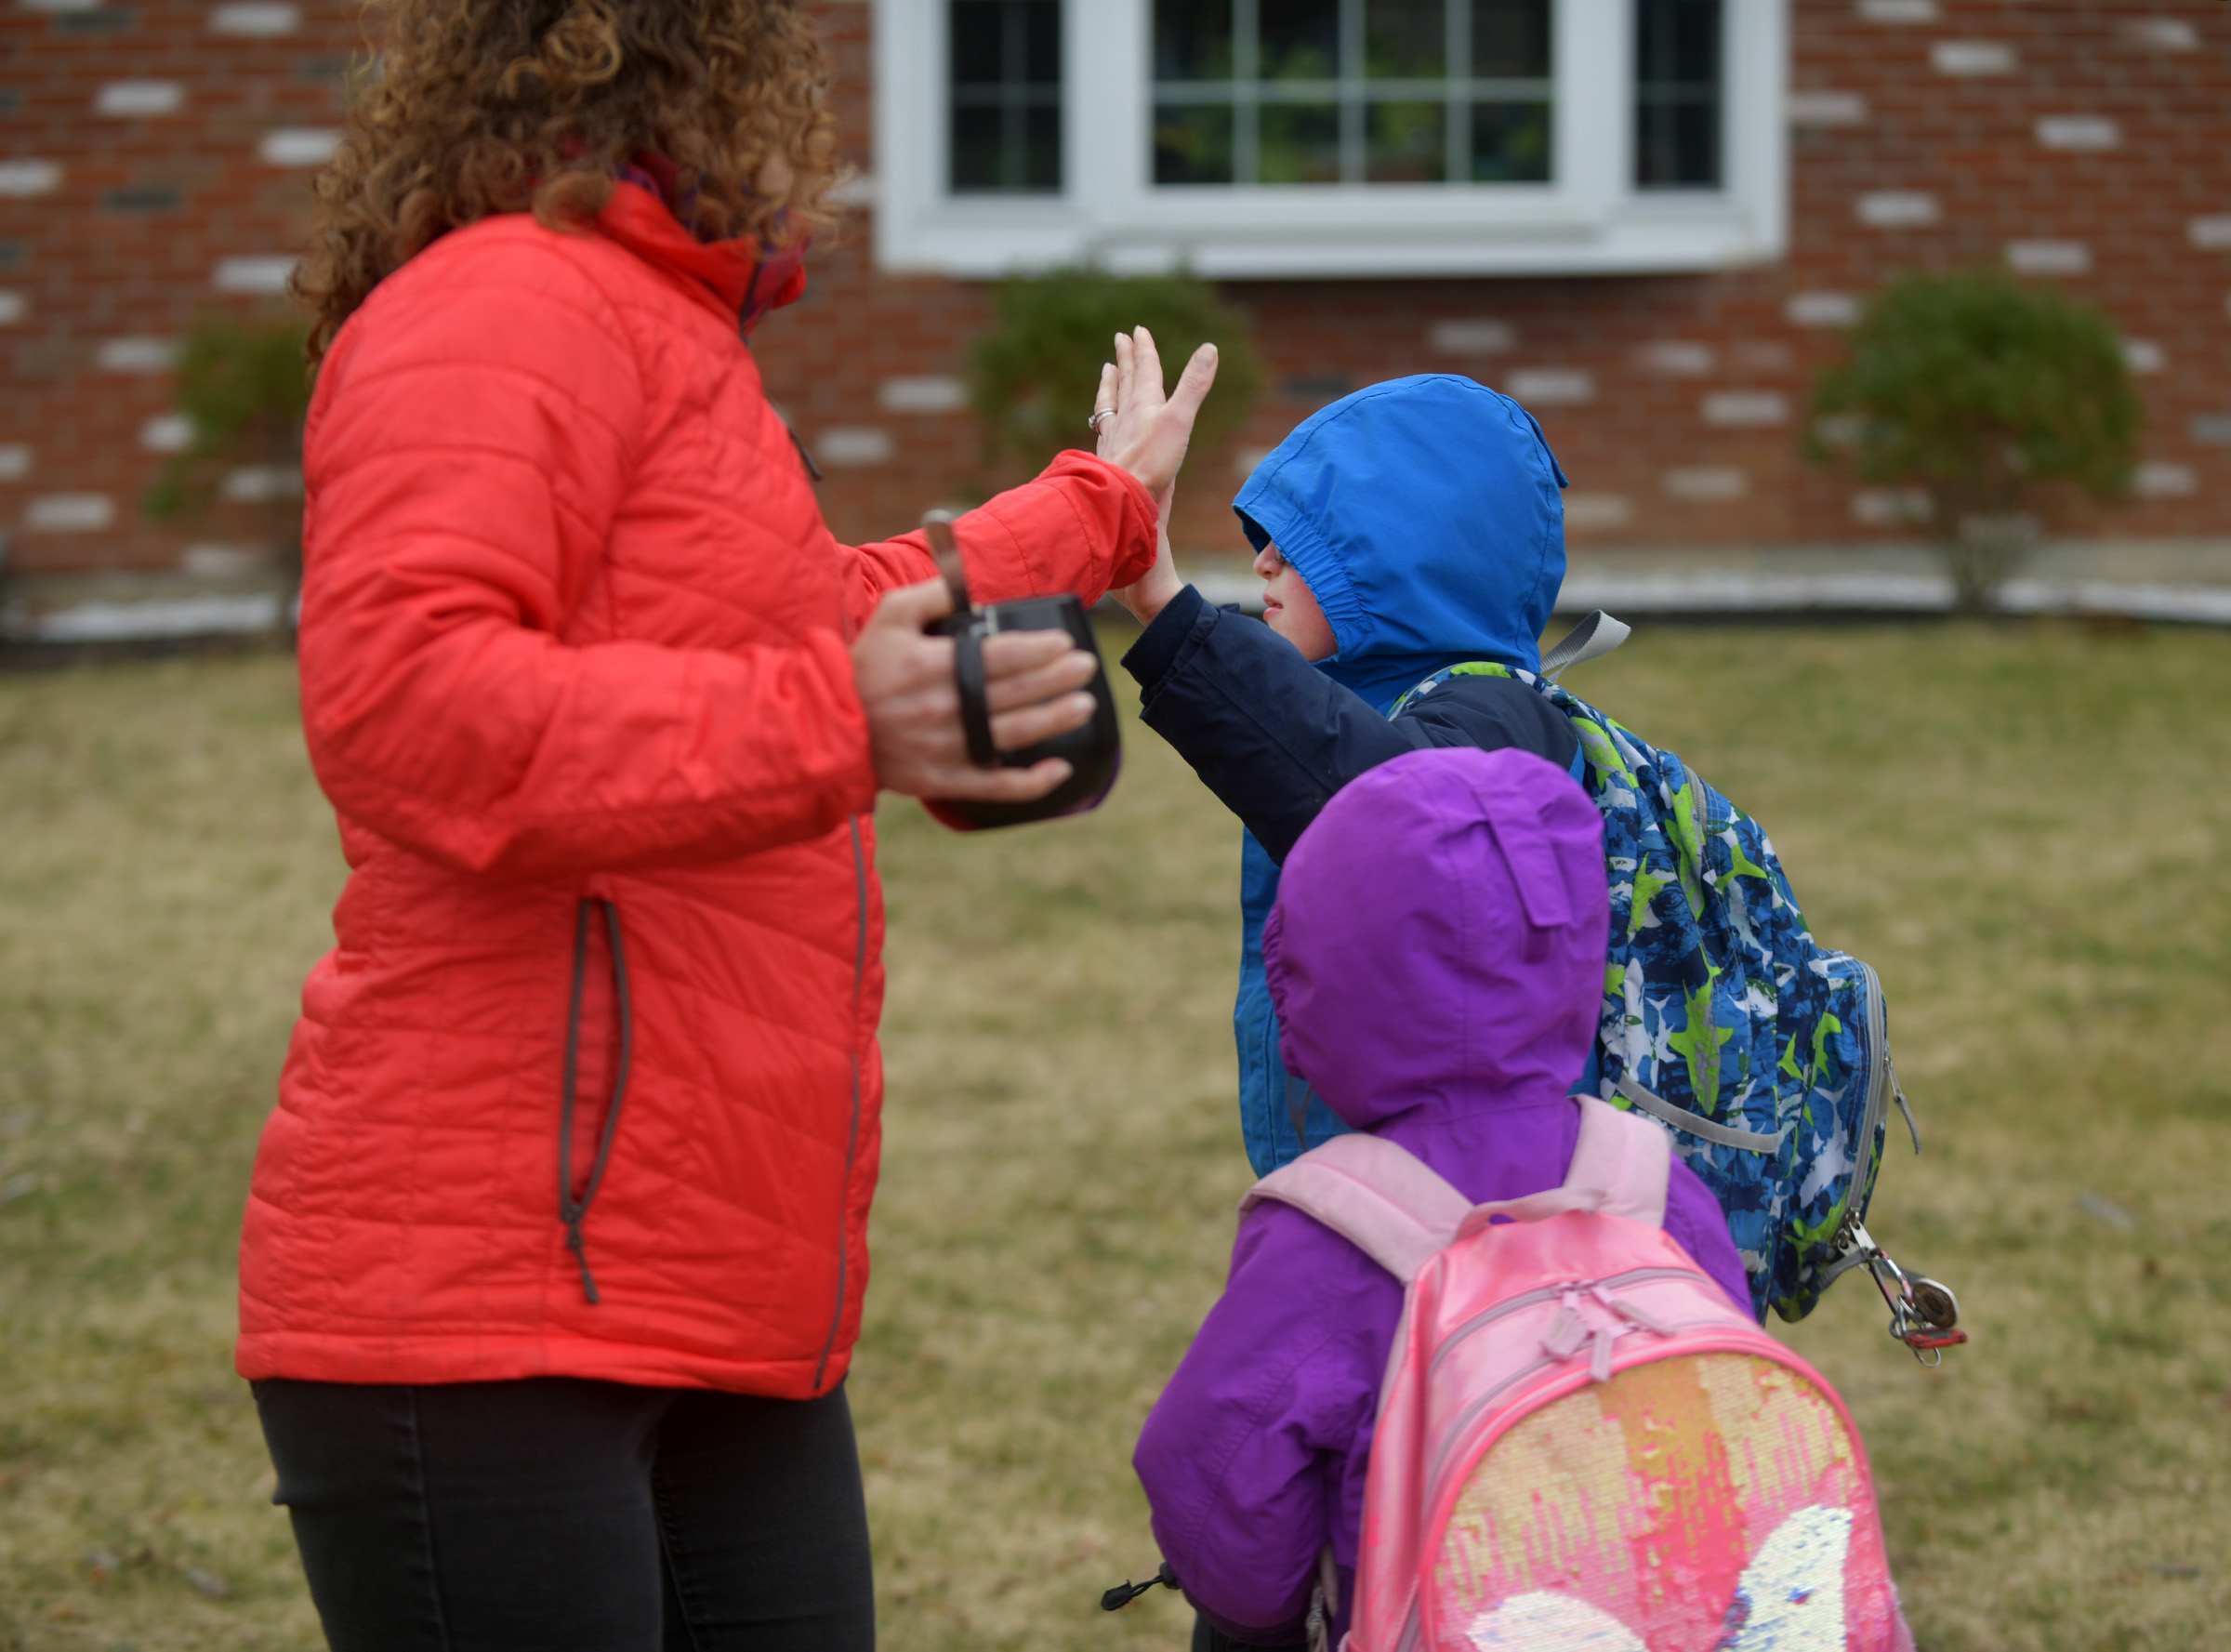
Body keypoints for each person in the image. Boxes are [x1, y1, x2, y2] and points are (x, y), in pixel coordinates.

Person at [237, 5, 1216, 1648]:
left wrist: (1100, 510)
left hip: (706, 1278)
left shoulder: (659, 338)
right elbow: (403, 703)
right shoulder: (494, 307)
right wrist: (844, 726)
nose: (811, 149)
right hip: (489, 1291)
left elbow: (815, 615)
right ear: (693, 73)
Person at [1133, 747, 1751, 1650]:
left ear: (1323, 975)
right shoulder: (1654, 1180)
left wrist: (1253, 1622)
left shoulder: (1333, 1232)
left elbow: (1216, 1474)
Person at [1112, 374, 1578, 1177]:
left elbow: (1385, 813)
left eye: (1301, 545)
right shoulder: (1379, 710)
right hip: (1373, 1186)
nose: (1261, 562)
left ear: (1414, 560)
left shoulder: (1509, 722)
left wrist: (1166, 604)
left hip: (1472, 1220)